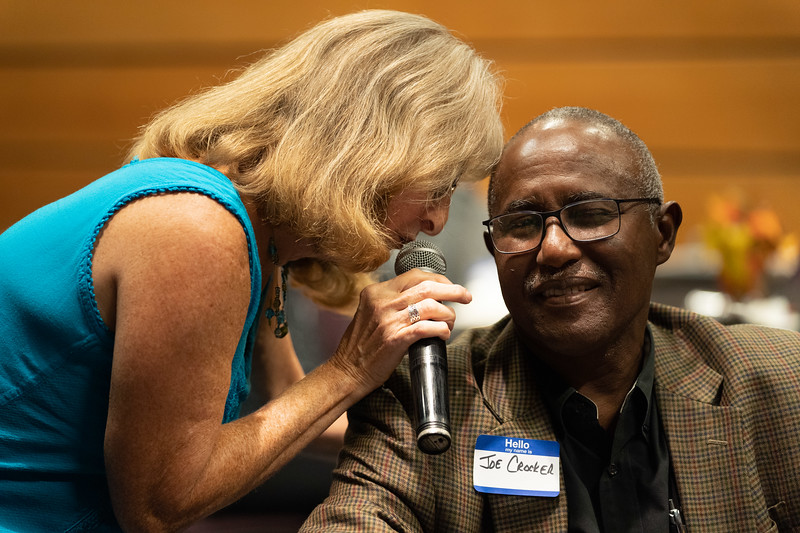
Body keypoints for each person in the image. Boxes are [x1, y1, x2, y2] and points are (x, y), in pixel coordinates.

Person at [0, 10, 504, 531]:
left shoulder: (262, 236)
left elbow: (291, 399)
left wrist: (463, 442)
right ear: (373, 148)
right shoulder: (196, 228)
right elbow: (158, 505)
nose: (437, 220)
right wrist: (351, 368)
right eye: (438, 184)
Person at [300, 107, 800, 532]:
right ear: (494, 249)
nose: (555, 249)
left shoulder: (780, 383)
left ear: (662, 234)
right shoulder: (422, 400)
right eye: (522, 224)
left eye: (591, 214)